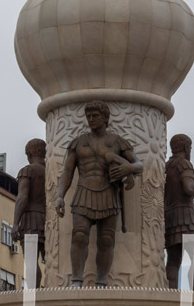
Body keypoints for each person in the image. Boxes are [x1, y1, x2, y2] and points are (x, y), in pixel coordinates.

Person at [56, 101, 142, 287]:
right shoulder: (78, 143)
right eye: (89, 116)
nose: (91, 119)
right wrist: (60, 196)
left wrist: (127, 168)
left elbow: (139, 165)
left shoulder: (118, 142)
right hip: (84, 193)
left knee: (106, 239)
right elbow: (67, 172)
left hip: (108, 194)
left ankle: (101, 281)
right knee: (79, 235)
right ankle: (76, 281)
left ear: (105, 118)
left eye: (95, 116)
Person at [164, 134, 194, 291]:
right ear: (184, 148)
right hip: (186, 219)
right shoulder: (184, 164)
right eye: (189, 148)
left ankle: (171, 295)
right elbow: (189, 188)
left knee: (173, 261)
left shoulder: (167, 166)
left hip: (169, 219)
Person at [13, 139, 46, 287]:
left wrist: (15, 223)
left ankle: (34, 293)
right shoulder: (51, 171)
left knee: (31, 262)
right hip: (48, 221)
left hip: (30, 221)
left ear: (30, 153)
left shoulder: (27, 171)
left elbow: (22, 197)